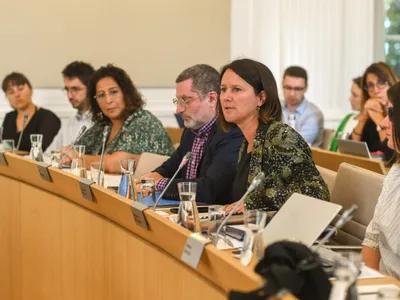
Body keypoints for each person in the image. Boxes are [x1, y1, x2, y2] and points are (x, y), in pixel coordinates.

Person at [219, 59, 329, 213]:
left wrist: (256, 201)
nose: (226, 97)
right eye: (223, 89)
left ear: (261, 98)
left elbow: (317, 196)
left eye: (236, 89)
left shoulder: (281, 137)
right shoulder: (248, 141)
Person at [139, 64, 243, 205]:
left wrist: (159, 184)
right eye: (178, 101)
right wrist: (154, 176)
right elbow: (173, 165)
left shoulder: (232, 133)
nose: (178, 109)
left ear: (212, 99)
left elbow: (210, 189)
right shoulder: (191, 130)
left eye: (185, 101)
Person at [62, 64, 174, 173]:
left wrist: (79, 159)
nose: (108, 100)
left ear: (126, 93)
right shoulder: (103, 126)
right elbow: (73, 150)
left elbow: (118, 163)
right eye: (101, 95)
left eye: (113, 92)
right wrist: (68, 153)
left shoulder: (143, 121)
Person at [362, 81, 400, 279]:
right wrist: (370, 285)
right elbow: (373, 239)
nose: (384, 123)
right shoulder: (395, 173)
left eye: (391, 114)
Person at [1, 72, 61, 152]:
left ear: (31, 90)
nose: (17, 95)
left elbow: (45, 150)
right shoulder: (9, 117)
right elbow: (4, 145)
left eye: (20, 89)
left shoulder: (48, 118)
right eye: (11, 92)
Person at [350, 62, 398, 162]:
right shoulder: (370, 116)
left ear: (391, 83)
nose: (375, 90)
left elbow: (393, 157)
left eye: (381, 82)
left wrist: (379, 120)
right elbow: (350, 150)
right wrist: (363, 118)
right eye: (370, 85)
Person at [46, 61, 95, 154]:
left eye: (75, 89)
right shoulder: (69, 122)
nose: (70, 96)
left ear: (91, 88)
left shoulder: (102, 122)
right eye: (67, 90)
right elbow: (49, 154)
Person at [282, 66, 324, 147]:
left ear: (306, 88)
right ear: (282, 84)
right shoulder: (275, 107)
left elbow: (295, 145)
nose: (292, 94)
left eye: (297, 89)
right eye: (288, 87)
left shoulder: (313, 114)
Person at [329, 77, 363, 152]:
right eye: (351, 94)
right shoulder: (348, 118)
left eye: (355, 95)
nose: (350, 98)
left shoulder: (367, 124)